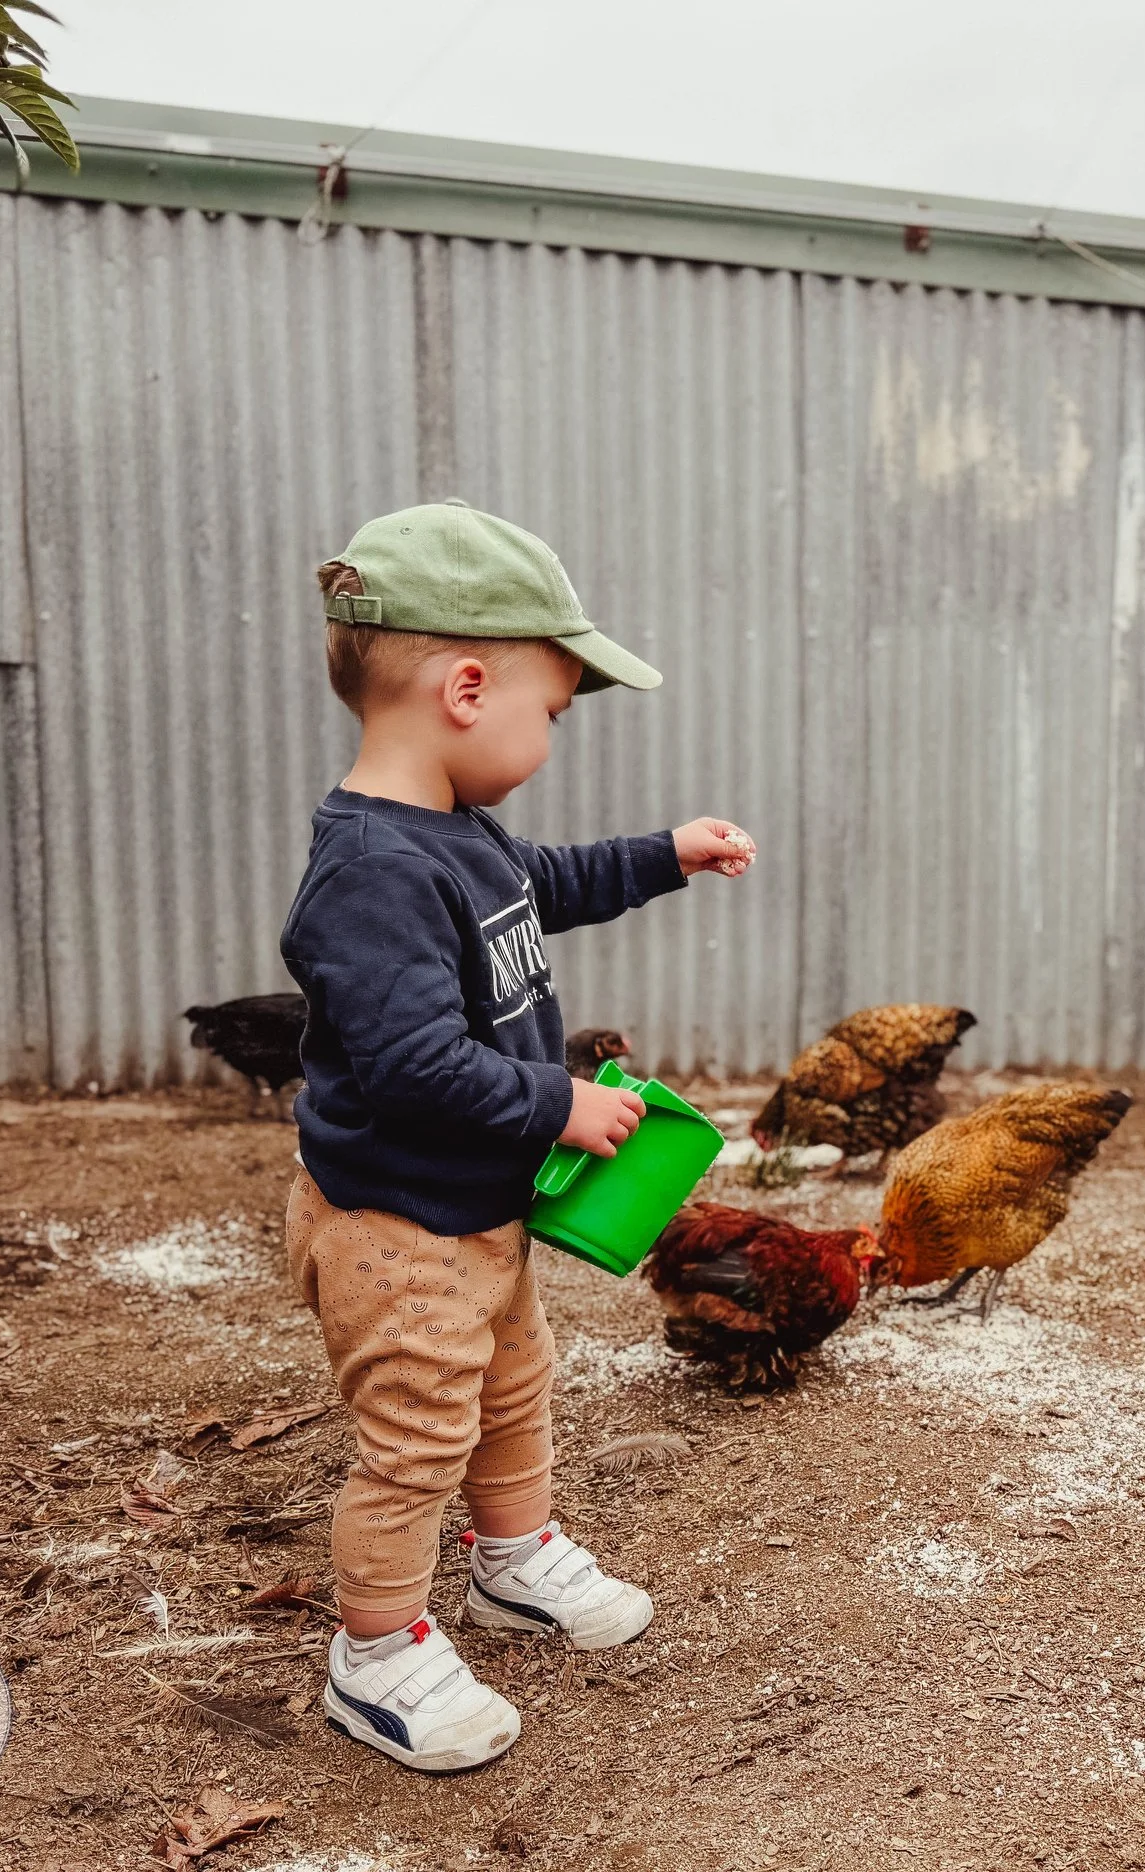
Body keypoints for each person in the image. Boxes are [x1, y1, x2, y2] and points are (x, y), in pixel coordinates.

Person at [281, 500, 752, 1772]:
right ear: (467, 685)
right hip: (395, 1224)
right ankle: (374, 1655)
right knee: (418, 1435)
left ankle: (511, 1558)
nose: (550, 734)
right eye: (552, 711)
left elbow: (548, 883)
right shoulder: (373, 871)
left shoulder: (458, 835)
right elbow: (408, 1064)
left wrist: (666, 853)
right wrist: (562, 1102)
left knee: (510, 1387)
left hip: (474, 1211)